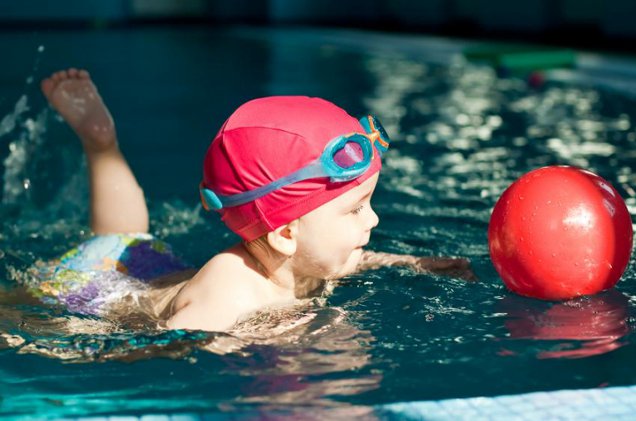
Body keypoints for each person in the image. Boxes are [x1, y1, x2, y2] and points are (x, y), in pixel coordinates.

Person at [29, 68, 474, 333]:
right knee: (115, 243)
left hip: (151, 269)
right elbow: (167, 344)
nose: (372, 218)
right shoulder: (230, 290)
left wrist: (412, 264)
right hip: (86, 290)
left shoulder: (308, 256)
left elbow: (357, 259)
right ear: (284, 232)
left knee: (127, 238)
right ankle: (101, 144)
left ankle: (102, 145)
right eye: (356, 208)